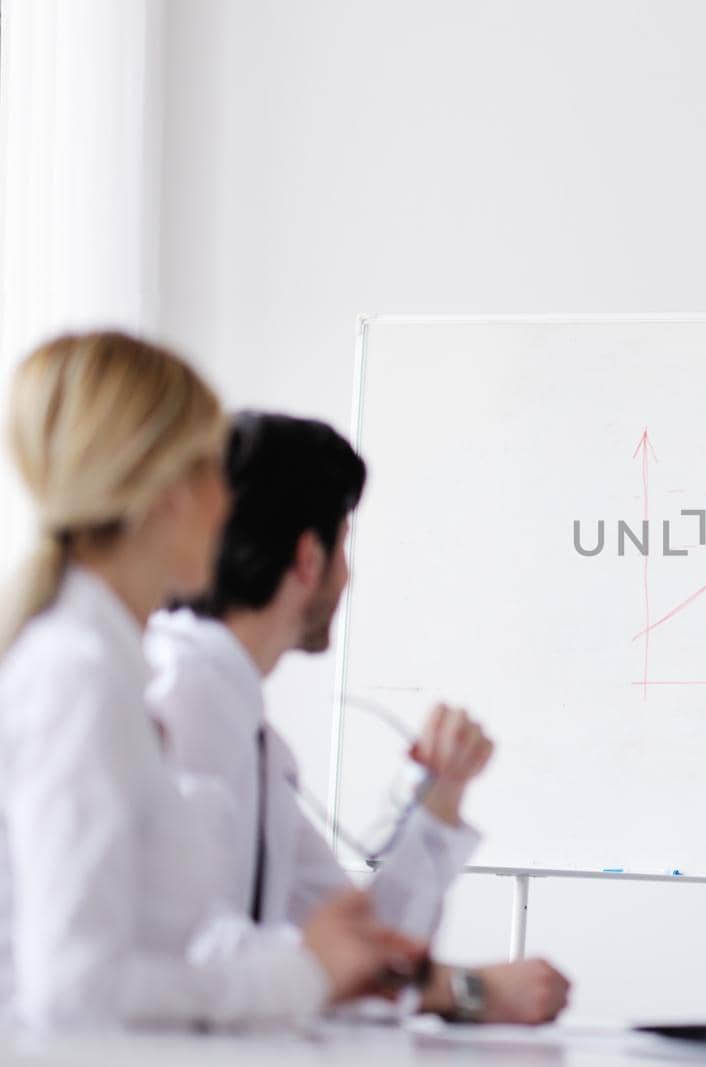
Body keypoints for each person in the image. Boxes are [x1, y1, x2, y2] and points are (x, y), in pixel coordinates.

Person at [0, 332, 422, 1030]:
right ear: (165, 491)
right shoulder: (79, 678)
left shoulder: (107, 671)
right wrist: (298, 974)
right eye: (212, 472)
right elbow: (75, 989)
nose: (230, 507)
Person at [146, 412, 569, 1025]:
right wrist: (459, 988)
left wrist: (443, 793)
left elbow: (368, 945)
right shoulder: (178, 704)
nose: (349, 575)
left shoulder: (246, 732)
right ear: (309, 557)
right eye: (345, 544)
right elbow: (194, 957)